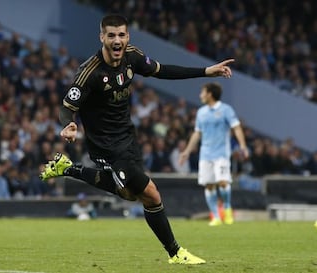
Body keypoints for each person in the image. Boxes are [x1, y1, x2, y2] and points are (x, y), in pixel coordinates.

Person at [40, 14, 235, 265]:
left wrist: (206, 71)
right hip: (106, 145)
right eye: (111, 35)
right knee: (152, 194)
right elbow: (68, 106)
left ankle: (68, 168)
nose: (117, 40)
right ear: (102, 37)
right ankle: (175, 252)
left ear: (128, 36)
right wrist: (68, 124)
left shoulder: (132, 56)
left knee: (131, 195)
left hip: (127, 137)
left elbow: (162, 70)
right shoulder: (89, 72)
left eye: (121, 35)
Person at [179, 82, 249, 226]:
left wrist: (242, 146)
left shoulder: (226, 110)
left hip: (222, 154)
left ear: (210, 94)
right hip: (205, 154)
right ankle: (216, 216)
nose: (200, 95)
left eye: (202, 92)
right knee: (209, 185)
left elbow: (236, 128)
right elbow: (197, 133)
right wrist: (186, 151)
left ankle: (227, 207)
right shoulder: (201, 112)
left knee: (223, 182)